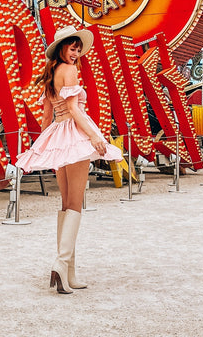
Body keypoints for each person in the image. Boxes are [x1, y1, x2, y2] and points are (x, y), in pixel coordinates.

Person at [16, 25, 123, 294]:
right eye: (71, 47)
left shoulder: (52, 75)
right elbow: (75, 109)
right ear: (61, 48)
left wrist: (43, 145)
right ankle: (61, 264)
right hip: (74, 135)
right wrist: (95, 136)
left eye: (78, 48)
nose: (75, 53)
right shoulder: (70, 71)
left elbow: (45, 116)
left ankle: (69, 272)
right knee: (75, 204)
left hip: (58, 136)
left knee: (66, 205)